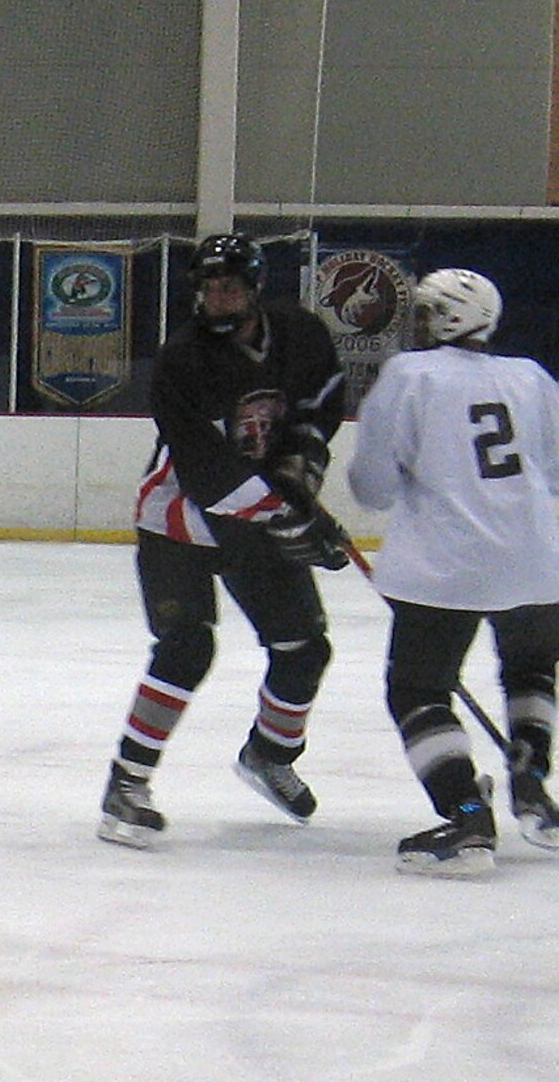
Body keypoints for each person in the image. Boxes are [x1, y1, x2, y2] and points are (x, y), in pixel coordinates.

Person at [98, 233, 351, 848]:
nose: (217, 298)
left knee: (304, 648)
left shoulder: (299, 334)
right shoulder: (182, 360)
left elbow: (321, 405)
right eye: (208, 289)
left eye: (230, 287)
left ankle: (270, 754)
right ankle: (126, 785)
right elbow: (204, 468)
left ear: (255, 289)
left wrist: (301, 471)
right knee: (186, 649)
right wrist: (286, 516)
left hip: (254, 510)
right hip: (179, 518)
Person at [347, 268, 559, 876]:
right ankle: (531, 782)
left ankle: (465, 817)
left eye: (425, 312)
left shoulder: (408, 376)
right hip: (538, 566)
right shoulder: (531, 378)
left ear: (441, 319)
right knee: (532, 671)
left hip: (443, 571)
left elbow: (371, 489)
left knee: (418, 691)